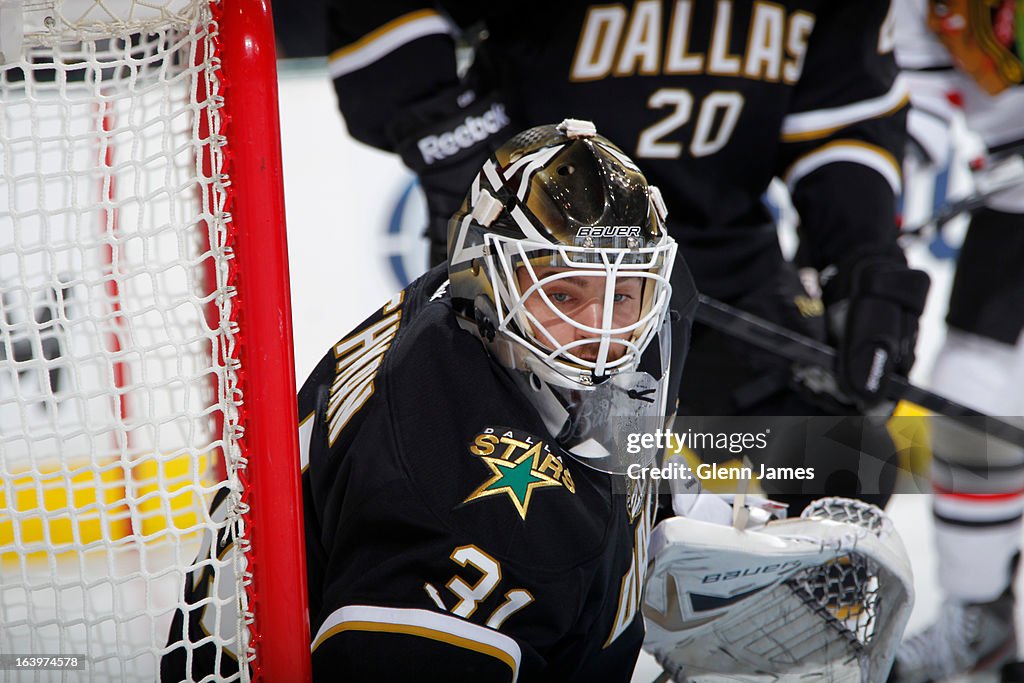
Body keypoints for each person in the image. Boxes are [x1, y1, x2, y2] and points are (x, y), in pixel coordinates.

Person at [326, 1, 931, 515]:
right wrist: (456, 136)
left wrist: (859, 257)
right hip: (540, 269)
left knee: (835, 466)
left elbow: (842, 120)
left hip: (719, 269)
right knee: (525, 502)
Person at [161, 120, 694, 680]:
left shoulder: (472, 309)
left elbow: (606, 419)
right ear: (486, 275)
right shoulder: (457, 495)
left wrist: (733, 481)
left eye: (624, 295)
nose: (601, 333)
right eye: (561, 293)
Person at [889, 0, 1024, 680]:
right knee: (973, 396)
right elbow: (920, 97)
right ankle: (980, 616)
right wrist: (889, 172)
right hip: (1014, 204)